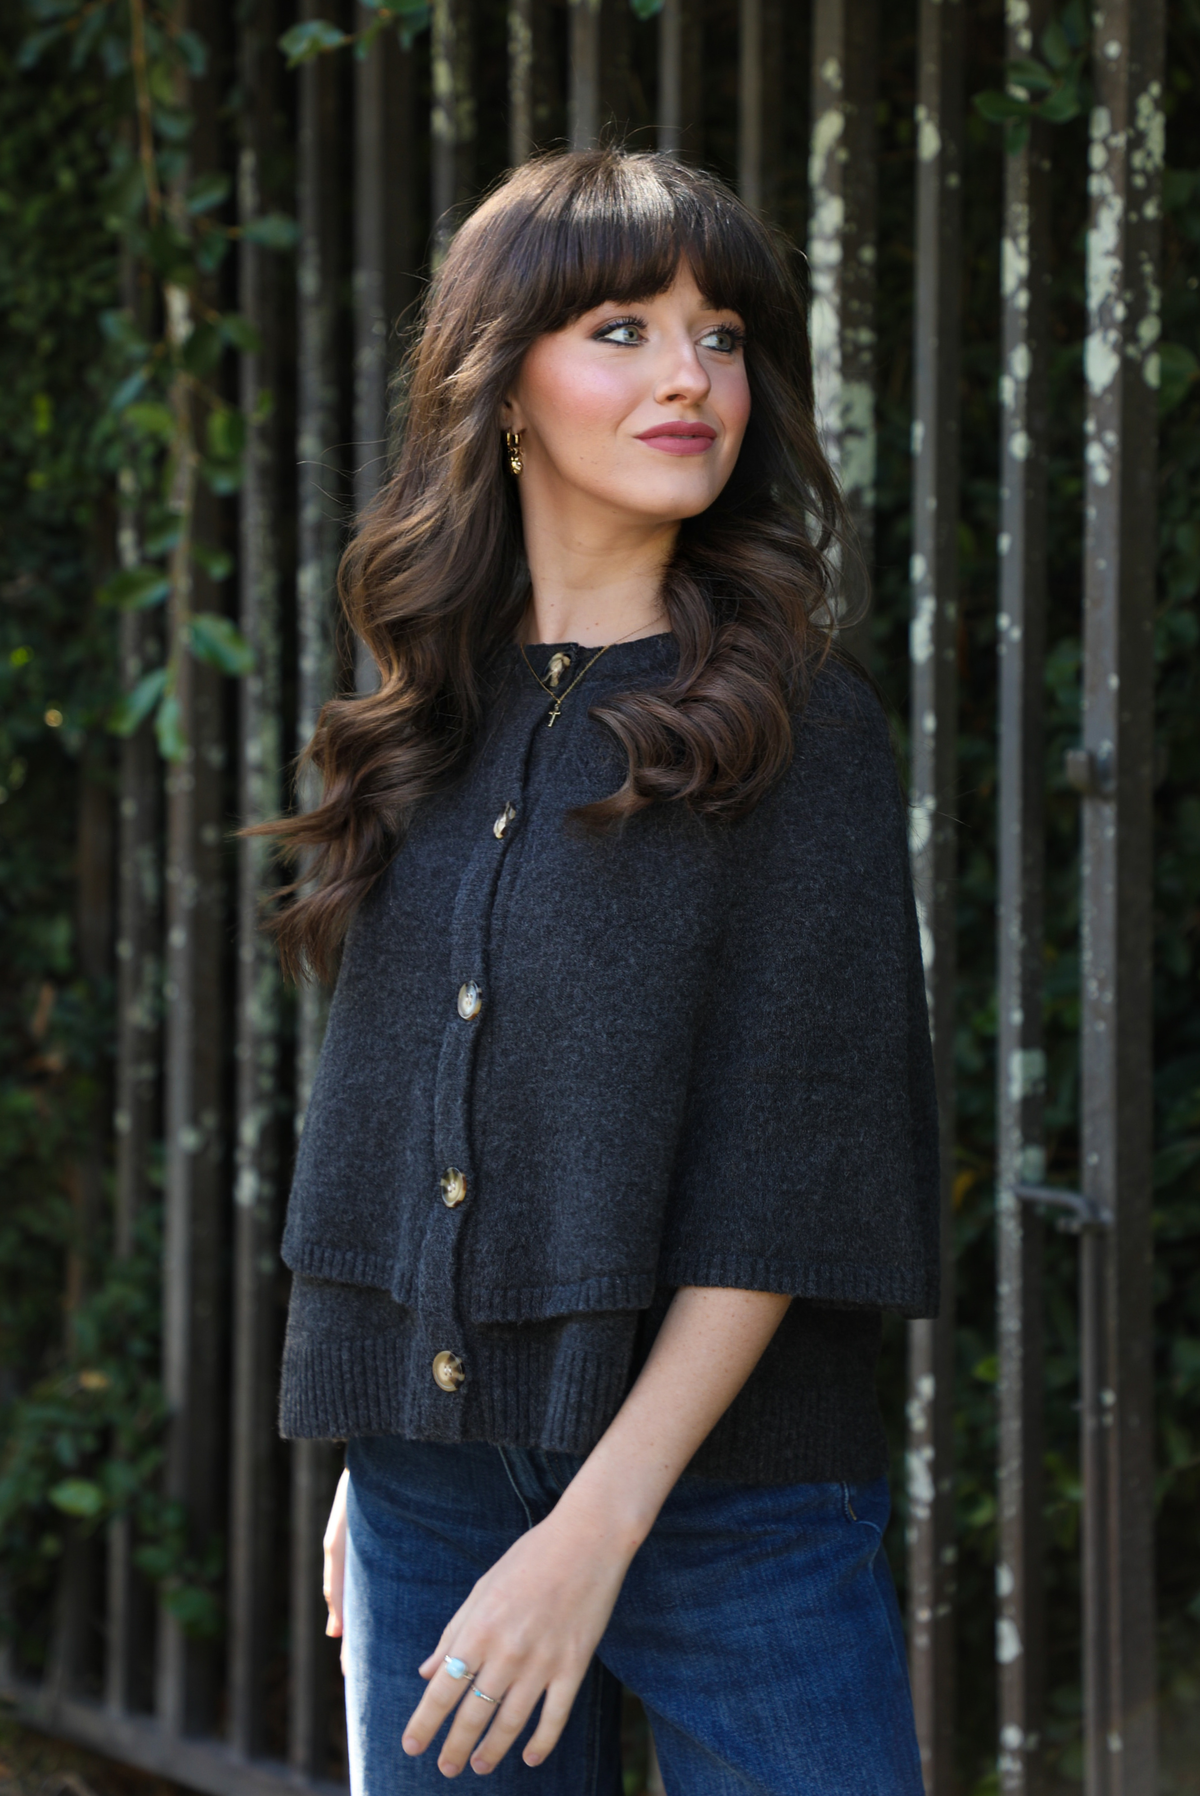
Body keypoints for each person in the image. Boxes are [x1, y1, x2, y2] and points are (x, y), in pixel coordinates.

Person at [263, 148, 939, 1795]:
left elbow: (794, 1177)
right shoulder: (423, 708)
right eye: (623, 330)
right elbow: (405, 1100)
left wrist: (592, 1532)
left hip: (733, 1512)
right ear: (504, 391)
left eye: (720, 332)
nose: (692, 375)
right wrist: (389, 1424)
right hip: (430, 1487)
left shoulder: (798, 726)